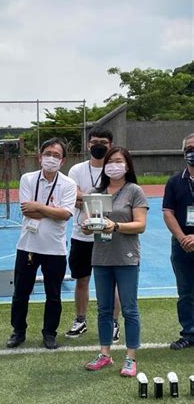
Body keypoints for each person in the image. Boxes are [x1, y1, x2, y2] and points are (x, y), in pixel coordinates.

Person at [6, 137, 77, 350]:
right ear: (39, 157)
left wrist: (39, 207)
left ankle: (49, 332)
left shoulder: (68, 184)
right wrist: (51, 211)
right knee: (21, 292)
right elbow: (26, 209)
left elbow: (65, 214)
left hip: (55, 248)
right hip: (27, 245)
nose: (51, 159)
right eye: (48, 154)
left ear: (63, 161)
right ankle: (18, 331)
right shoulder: (28, 179)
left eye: (56, 155)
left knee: (53, 294)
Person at [84, 147, 148, 377]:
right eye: (110, 161)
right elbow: (87, 221)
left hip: (126, 257)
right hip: (101, 257)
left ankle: (130, 358)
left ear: (127, 166)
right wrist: (87, 224)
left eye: (119, 161)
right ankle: (104, 354)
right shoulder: (96, 192)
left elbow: (140, 224)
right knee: (104, 309)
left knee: (129, 309)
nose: (114, 165)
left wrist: (116, 226)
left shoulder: (134, 191)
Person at [65, 128, 121, 341]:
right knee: (81, 280)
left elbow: (119, 198)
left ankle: (113, 323)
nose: (99, 145)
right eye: (94, 142)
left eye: (103, 142)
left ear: (111, 144)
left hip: (108, 234)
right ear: (88, 145)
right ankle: (80, 320)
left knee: (112, 282)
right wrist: (96, 198)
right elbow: (70, 197)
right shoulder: (77, 170)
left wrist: (84, 196)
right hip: (82, 234)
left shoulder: (115, 168)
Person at [162, 133, 194, 350]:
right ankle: (189, 333)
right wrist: (182, 237)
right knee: (185, 291)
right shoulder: (175, 181)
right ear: (184, 152)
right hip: (182, 245)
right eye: (189, 148)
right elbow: (168, 212)